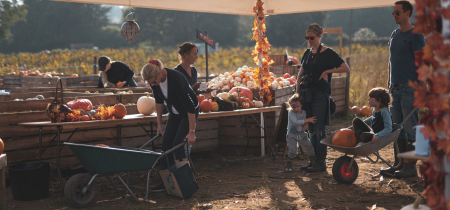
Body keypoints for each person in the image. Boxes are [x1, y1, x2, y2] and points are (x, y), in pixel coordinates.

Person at [296, 23, 350, 173]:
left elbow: (346, 68)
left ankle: (321, 162)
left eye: (312, 37)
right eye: (307, 37)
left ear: (320, 36)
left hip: (320, 95)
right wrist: (297, 94)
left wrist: (327, 71)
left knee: (319, 129)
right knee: (311, 129)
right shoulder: (307, 53)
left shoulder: (328, 52)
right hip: (307, 95)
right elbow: (300, 74)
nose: (309, 40)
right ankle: (314, 161)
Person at [380, 0, 425, 178]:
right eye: (393, 13)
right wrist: (389, 82)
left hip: (410, 89)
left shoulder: (416, 36)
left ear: (407, 13)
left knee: (411, 127)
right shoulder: (394, 35)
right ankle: (398, 164)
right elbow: (391, 61)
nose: (394, 16)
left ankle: (410, 168)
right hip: (395, 88)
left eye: (397, 13)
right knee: (397, 129)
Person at [141, 59, 199, 192]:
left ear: (160, 73)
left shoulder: (176, 78)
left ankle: (184, 180)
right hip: (174, 113)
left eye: (153, 81)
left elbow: (190, 106)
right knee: (166, 146)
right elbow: (159, 102)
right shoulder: (154, 81)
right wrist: (159, 125)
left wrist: (192, 132)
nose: (152, 84)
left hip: (188, 112)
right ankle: (168, 181)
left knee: (177, 145)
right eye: (149, 83)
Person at [285, 93, 317, 173]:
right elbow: (296, 122)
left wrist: (306, 124)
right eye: (293, 107)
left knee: (309, 147)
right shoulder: (291, 113)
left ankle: (313, 163)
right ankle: (289, 165)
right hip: (292, 135)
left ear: (301, 105)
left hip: (301, 134)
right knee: (293, 151)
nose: (296, 108)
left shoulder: (304, 113)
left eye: (297, 106)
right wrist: (308, 120)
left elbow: (305, 120)